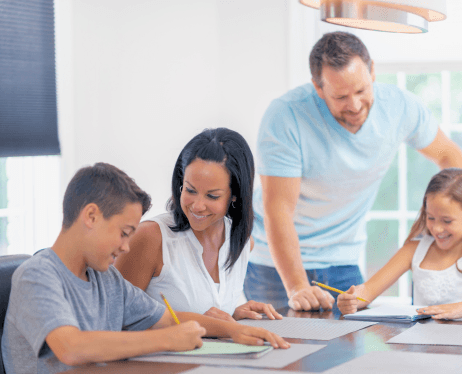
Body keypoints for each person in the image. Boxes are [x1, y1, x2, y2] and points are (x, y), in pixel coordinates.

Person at [2, 162, 289, 374]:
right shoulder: (38, 275)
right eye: (124, 233)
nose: (127, 246)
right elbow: (71, 348)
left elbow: (165, 318)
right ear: (91, 216)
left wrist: (233, 330)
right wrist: (168, 340)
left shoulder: (106, 279)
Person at [244, 31, 462, 312]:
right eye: (341, 96)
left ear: (372, 72)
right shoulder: (286, 116)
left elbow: (449, 156)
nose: (355, 105)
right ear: (318, 88)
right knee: (287, 349)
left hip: (342, 257)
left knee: (350, 348)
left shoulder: (399, 107)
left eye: (361, 91)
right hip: (274, 265)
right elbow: (279, 209)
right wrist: (297, 286)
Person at [116, 128, 282, 322]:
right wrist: (207, 324)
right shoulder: (150, 237)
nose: (197, 206)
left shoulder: (244, 243)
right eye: (190, 190)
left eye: (212, 196)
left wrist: (231, 316)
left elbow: (205, 314)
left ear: (235, 195)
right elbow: (116, 319)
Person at [338, 168, 462, 320]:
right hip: (421, 341)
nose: (437, 228)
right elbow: (368, 291)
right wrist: (352, 300)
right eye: (430, 218)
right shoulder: (413, 250)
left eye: (447, 221)